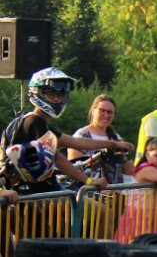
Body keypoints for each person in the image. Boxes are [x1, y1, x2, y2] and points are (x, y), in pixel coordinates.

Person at [0, 67, 131, 195]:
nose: (57, 99)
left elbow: (75, 142)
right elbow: (57, 158)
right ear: (36, 92)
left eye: (61, 94)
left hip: (36, 191)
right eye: (51, 94)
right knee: (99, 211)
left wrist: (113, 144)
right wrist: (88, 180)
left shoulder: (37, 123)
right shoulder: (34, 122)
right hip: (33, 194)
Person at [68, 94, 133, 186]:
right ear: (93, 110)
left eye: (110, 112)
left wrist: (127, 160)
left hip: (115, 195)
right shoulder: (81, 136)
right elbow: (73, 169)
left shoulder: (116, 138)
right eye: (102, 111)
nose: (106, 115)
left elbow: (127, 171)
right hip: (90, 195)